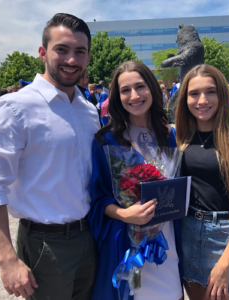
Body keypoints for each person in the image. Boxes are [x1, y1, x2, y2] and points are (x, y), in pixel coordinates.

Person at [0, 13, 100, 300]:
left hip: (90, 236)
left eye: (79, 52)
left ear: (87, 58)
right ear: (42, 52)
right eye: (62, 49)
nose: (71, 60)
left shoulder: (88, 111)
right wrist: (7, 259)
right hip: (45, 244)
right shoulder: (16, 107)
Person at [89, 61, 183, 300]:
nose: (134, 95)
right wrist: (124, 214)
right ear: (117, 97)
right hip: (125, 244)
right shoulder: (106, 140)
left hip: (167, 242)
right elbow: (98, 198)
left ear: (152, 88)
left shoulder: (170, 135)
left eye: (140, 86)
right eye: (125, 90)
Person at [176, 64, 229, 300]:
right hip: (185, 230)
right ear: (185, 98)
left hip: (222, 236)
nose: (202, 100)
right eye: (194, 93)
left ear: (222, 94)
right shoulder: (182, 135)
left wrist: (225, 262)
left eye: (210, 91)